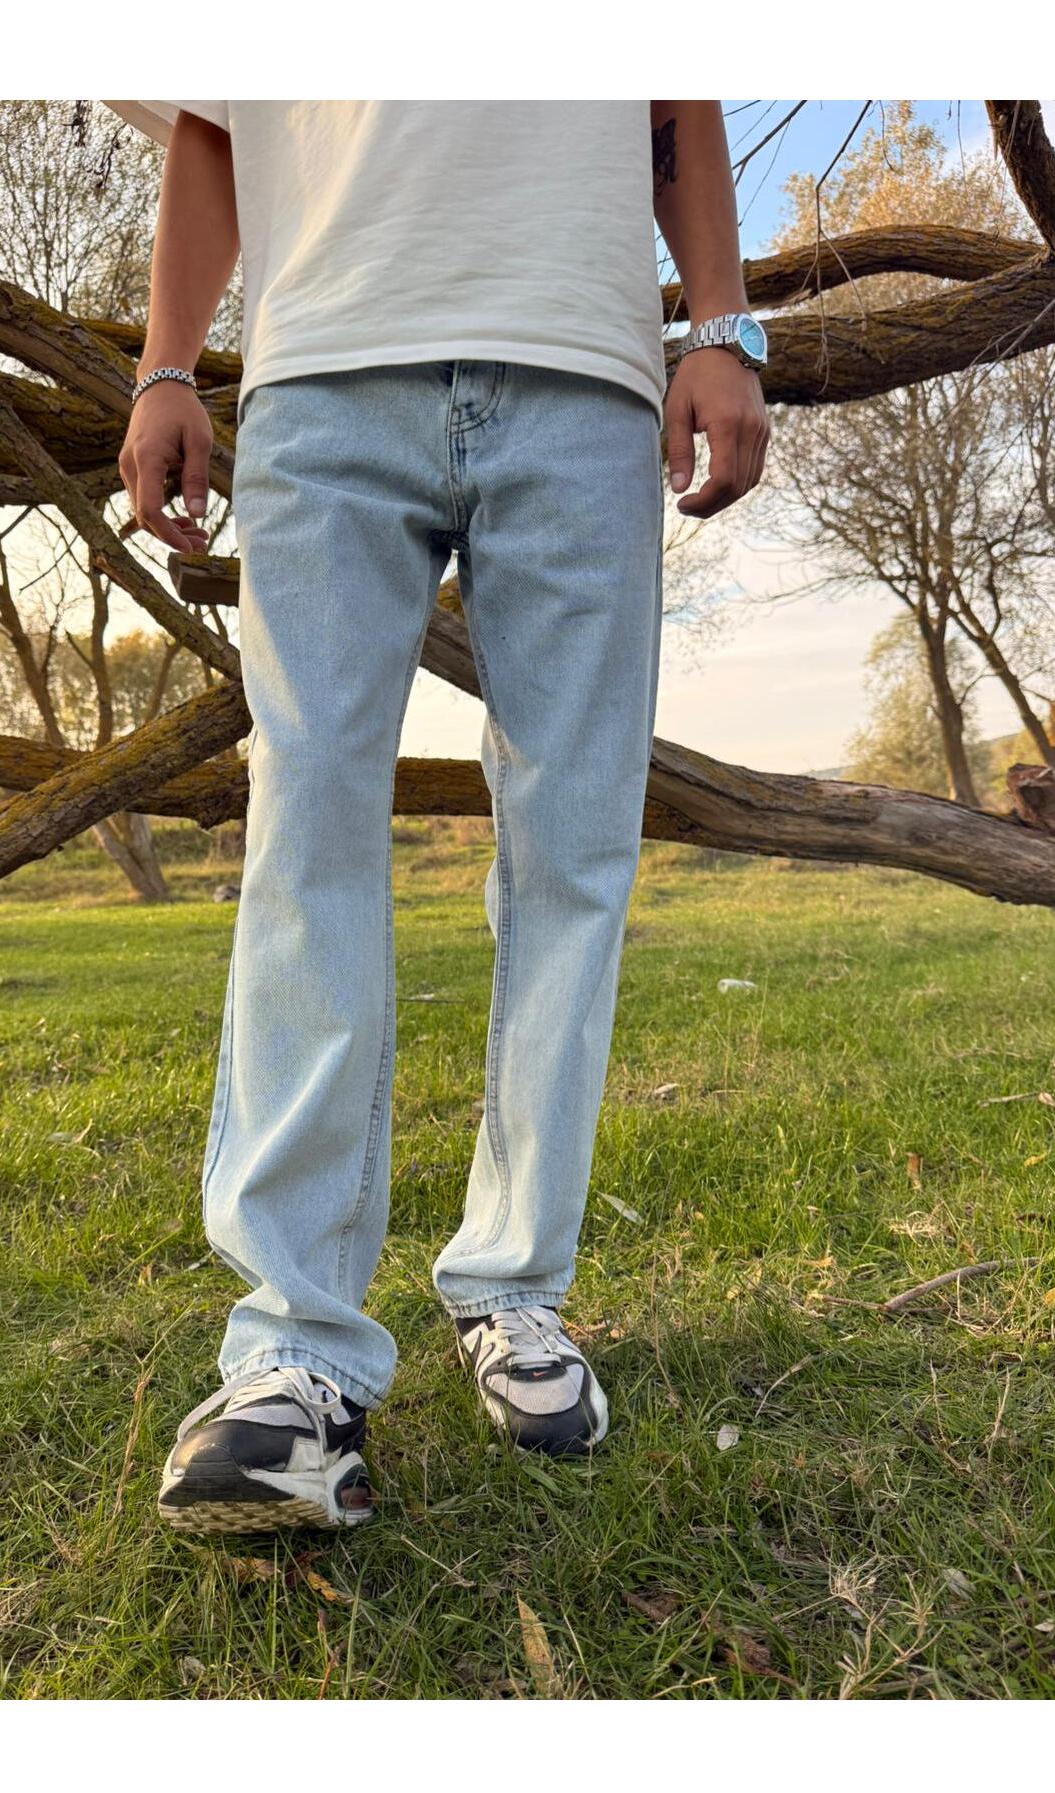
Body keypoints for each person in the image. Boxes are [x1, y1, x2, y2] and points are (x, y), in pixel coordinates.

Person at [113, 99, 769, 1533]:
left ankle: (515, 1287)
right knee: (305, 834)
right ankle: (292, 1349)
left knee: (574, 843)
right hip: (324, 367)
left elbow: (676, 95)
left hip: (582, 370)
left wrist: (721, 326)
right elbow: (214, 119)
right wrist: (167, 363)